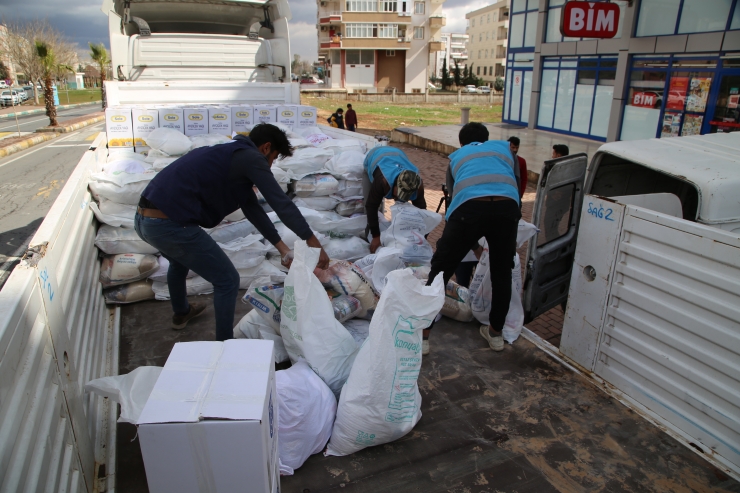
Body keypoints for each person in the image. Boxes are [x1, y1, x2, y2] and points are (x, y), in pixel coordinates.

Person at [134, 123, 330, 342]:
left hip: (145, 220)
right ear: (265, 148)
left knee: (179, 263)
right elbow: (281, 203)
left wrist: (282, 249)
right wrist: (314, 243)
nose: (270, 165)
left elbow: (253, 209)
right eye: (273, 158)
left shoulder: (229, 157)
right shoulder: (250, 158)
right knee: (227, 280)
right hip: (169, 225)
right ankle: (225, 345)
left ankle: (182, 312)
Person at [423, 122, 521, 355]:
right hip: (507, 209)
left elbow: (456, 200)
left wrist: (466, 242)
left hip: (469, 209)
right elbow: (512, 183)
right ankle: (496, 334)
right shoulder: (505, 150)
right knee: (501, 271)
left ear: (461, 142)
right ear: (486, 139)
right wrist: (478, 245)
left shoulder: (457, 156)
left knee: (440, 270)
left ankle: (423, 336)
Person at [453, 135, 527, 288]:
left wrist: (476, 249)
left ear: (461, 143)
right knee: (497, 279)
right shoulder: (505, 160)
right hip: (486, 241)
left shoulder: (459, 161)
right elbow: (516, 196)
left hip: (471, 243)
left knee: (465, 284)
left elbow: (455, 211)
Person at [362, 146, 426, 253]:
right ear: (395, 184)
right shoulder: (382, 180)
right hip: (374, 157)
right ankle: (368, 238)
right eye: (400, 193)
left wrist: (421, 238)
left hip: (398, 154)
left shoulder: (417, 185)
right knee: (370, 207)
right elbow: (371, 206)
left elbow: (422, 212)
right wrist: (376, 236)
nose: (401, 198)